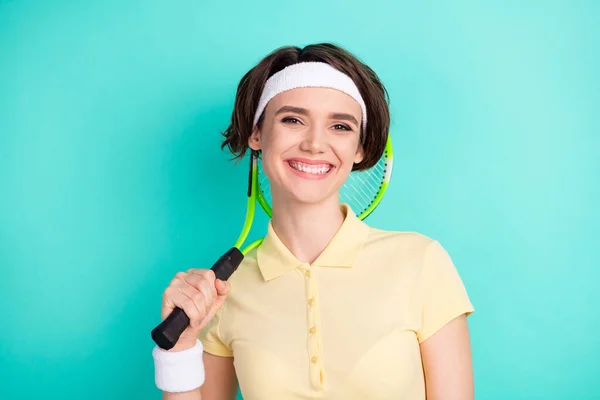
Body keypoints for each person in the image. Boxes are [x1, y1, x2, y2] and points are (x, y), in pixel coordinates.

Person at [152, 43, 475, 400]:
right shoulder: (223, 293)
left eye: (340, 126)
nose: (315, 144)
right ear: (257, 134)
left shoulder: (421, 262)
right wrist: (179, 349)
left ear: (360, 149)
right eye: (292, 119)